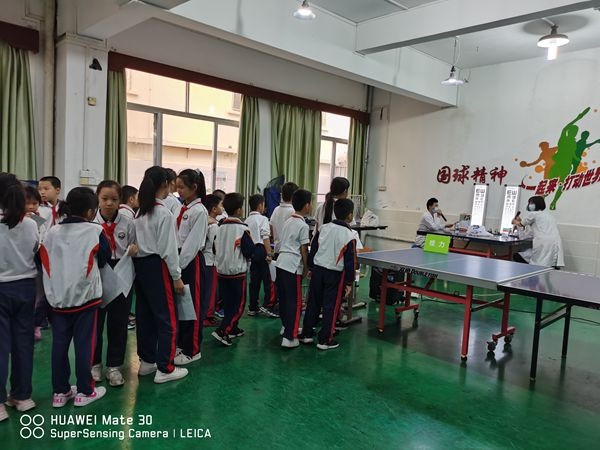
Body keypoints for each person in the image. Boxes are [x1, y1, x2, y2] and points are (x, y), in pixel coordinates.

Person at [40, 187, 109, 407]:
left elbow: (41, 259)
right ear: (91, 211)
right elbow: (104, 258)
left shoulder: (52, 232)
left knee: (59, 346)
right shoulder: (95, 230)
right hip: (85, 298)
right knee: (84, 345)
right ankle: (85, 391)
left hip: (58, 299)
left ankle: (60, 392)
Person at [134, 166, 187, 384]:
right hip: (158, 266)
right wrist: (176, 276)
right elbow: (168, 250)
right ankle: (165, 367)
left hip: (140, 267)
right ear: (165, 184)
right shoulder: (163, 213)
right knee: (167, 318)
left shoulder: (140, 212)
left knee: (145, 316)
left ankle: (147, 361)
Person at [0, 173, 39, 421]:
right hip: (26, 288)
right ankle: (22, 396)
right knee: (23, 344)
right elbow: (35, 250)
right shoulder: (31, 224)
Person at [92, 181, 137, 387]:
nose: (109, 203)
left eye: (114, 199)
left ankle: (114, 366)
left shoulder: (128, 221)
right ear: (97, 198)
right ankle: (95, 364)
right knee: (96, 322)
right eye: (104, 199)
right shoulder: (91, 223)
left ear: (120, 201)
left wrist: (134, 249)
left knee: (118, 322)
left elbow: (133, 244)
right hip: (98, 271)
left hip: (122, 270)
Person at [299, 199, 357, 350]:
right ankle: (325, 340)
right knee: (330, 306)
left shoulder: (323, 228)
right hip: (334, 275)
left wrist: (311, 267)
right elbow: (350, 262)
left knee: (313, 303)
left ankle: (306, 334)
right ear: (350, 216)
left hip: (318, 271)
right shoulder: (350, 235)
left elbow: (314, 248)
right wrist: (349, 282)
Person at [174, 169, 208, 366]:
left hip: (190, 261)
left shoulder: (199, 211)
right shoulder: (183, 208)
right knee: (182, 306)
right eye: (177, 187)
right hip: (179, 259)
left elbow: (192, 244)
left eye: (182, 187)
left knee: (192, 306)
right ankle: (181, 343)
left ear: (194, 187)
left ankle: (193, 350)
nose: (178, 191)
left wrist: (177, 268)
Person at [211, 193, 255, 346]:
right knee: (238, 305)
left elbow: (214, 248)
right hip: (237, 273)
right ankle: (223, 330)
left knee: (229, 303)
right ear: (239, 210)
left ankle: (233, 328)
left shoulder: (219, 227)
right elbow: (249, 251)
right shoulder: (242, 229)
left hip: (221, 271)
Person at [275, 189, 312, 348]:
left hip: (280, 263)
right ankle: (290, 337)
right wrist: (307, 268)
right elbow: (304, 249)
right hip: (292, 266)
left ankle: (286, 327)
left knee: (284, 300)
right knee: (295, 302)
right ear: (307, 206)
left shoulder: (288, 221)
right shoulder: (302, 225)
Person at [245, 194, 277, 318]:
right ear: (260, 205)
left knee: (254, 281)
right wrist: (269, 253)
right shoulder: (263, 219)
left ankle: (253, 307)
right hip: (261, 250)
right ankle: (268, 305)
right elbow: (265, 237)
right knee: (268, 279)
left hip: (251, 252)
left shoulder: (247, 220)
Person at [512, 196, 564, 268]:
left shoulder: (534, 214)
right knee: (551, 263)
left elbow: (521, 224)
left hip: (543, 242)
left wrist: (515, 221)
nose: (529, 205)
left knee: (539, 264)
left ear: (537, 204)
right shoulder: (548, 215)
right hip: (555, 241)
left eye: (531, 203)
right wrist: (519, 221)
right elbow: (526, 223)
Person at [202, 194, 223, 326]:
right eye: (221, 205)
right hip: (211, 261)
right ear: (214, 209)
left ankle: (206, 314)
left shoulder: (206, 222)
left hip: (205, 260)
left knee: (207, 289)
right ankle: (207, 316)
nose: (223, 208)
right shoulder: (213, 226)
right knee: (210, 290)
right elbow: (217, 246)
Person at [270, 182, 298, 254]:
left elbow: (271, 228)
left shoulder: (276, 209)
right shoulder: (293, 211)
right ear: (294, 196)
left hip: (277, 248)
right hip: (289, 251)